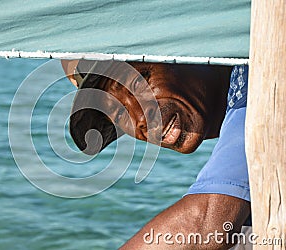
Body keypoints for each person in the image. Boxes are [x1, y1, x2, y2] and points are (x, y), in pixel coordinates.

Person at [62, 60, 250, 249]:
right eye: (120, 115)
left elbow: (210, 227)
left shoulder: (254, 84)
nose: (141, 118)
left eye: (139, 82)